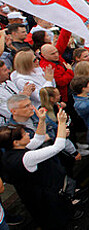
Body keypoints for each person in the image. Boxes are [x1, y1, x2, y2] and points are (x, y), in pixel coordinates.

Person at [0, 97, 80, 229]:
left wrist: (42, 120)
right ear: (16, 142)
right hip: (43, 198)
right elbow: (57, 147)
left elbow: (38, 139)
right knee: (56, 222)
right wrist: (61, 122)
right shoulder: (26, 157)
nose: (28, 134)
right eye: (24, 134)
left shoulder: (11, 151)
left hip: (35, 196)